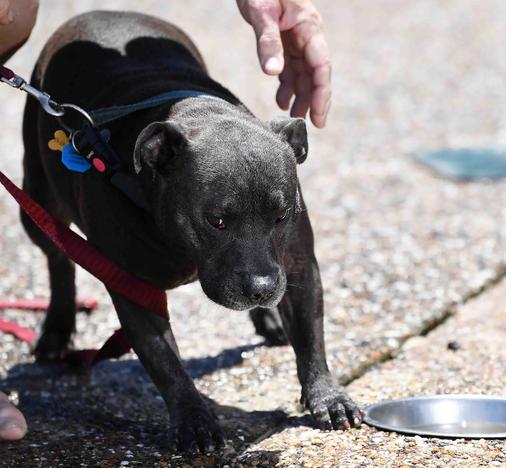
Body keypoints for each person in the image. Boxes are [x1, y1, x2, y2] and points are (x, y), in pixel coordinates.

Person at [0, 0, 332, 441]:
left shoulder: (270, 164)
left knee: (273, 254)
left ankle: (306, 369)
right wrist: (184, 403)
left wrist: (321, 384)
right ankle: (61, 295)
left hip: (167, 49)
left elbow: (301, 267)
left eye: (278, 218)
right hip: (74, 67)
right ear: (156, 156)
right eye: (218, 221)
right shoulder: (124, 191)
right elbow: (136, 300)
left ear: (292, 146)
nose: (260, 278)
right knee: (42, 213)